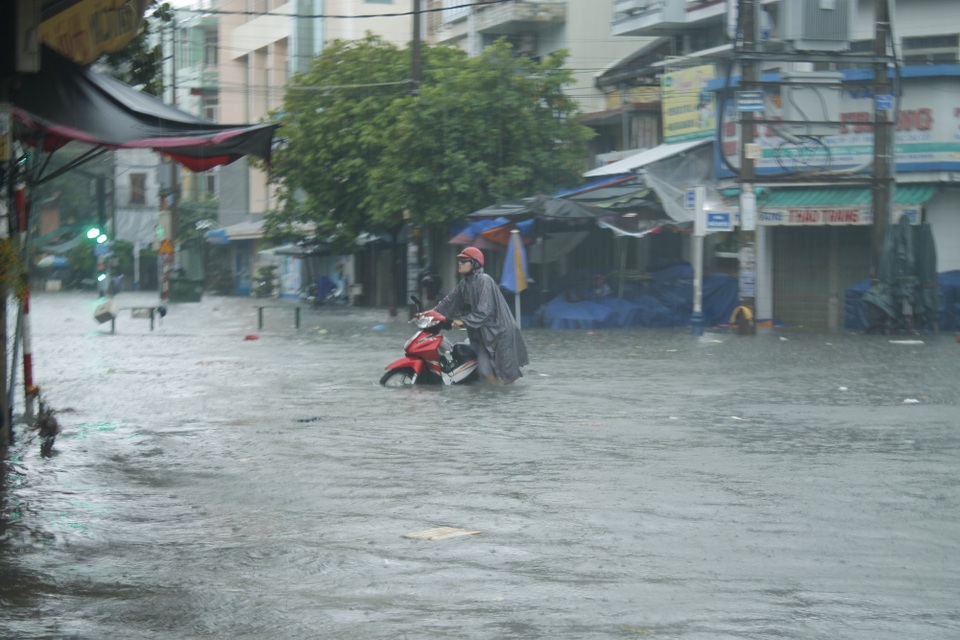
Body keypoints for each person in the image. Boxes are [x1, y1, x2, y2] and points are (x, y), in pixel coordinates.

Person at [429, 247, 529, 384]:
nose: (460, 263)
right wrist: (427, 315)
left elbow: (484, 311)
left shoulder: (484, 280)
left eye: (464, 260)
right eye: (459, 260)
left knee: (507, 378)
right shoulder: (464, 284)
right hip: (480, 335)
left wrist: (461, 321)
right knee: (485, 372)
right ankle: (492, 397)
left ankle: (507, 401)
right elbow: (448, 303)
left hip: (500, 334)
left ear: (474, 263)